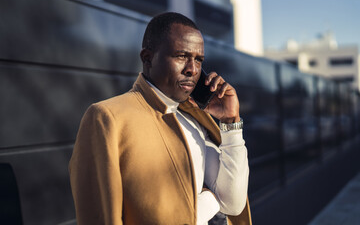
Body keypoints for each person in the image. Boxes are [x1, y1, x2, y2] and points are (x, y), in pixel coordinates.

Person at [69, 12, 251, 225]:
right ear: (147, 58)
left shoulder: (196, 117)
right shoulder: (107, 118)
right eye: (181, 56)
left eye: (199, 60)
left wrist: (231, 123)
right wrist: (209, 201)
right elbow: (100, 216)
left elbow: (233, 203)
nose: (192, 69)